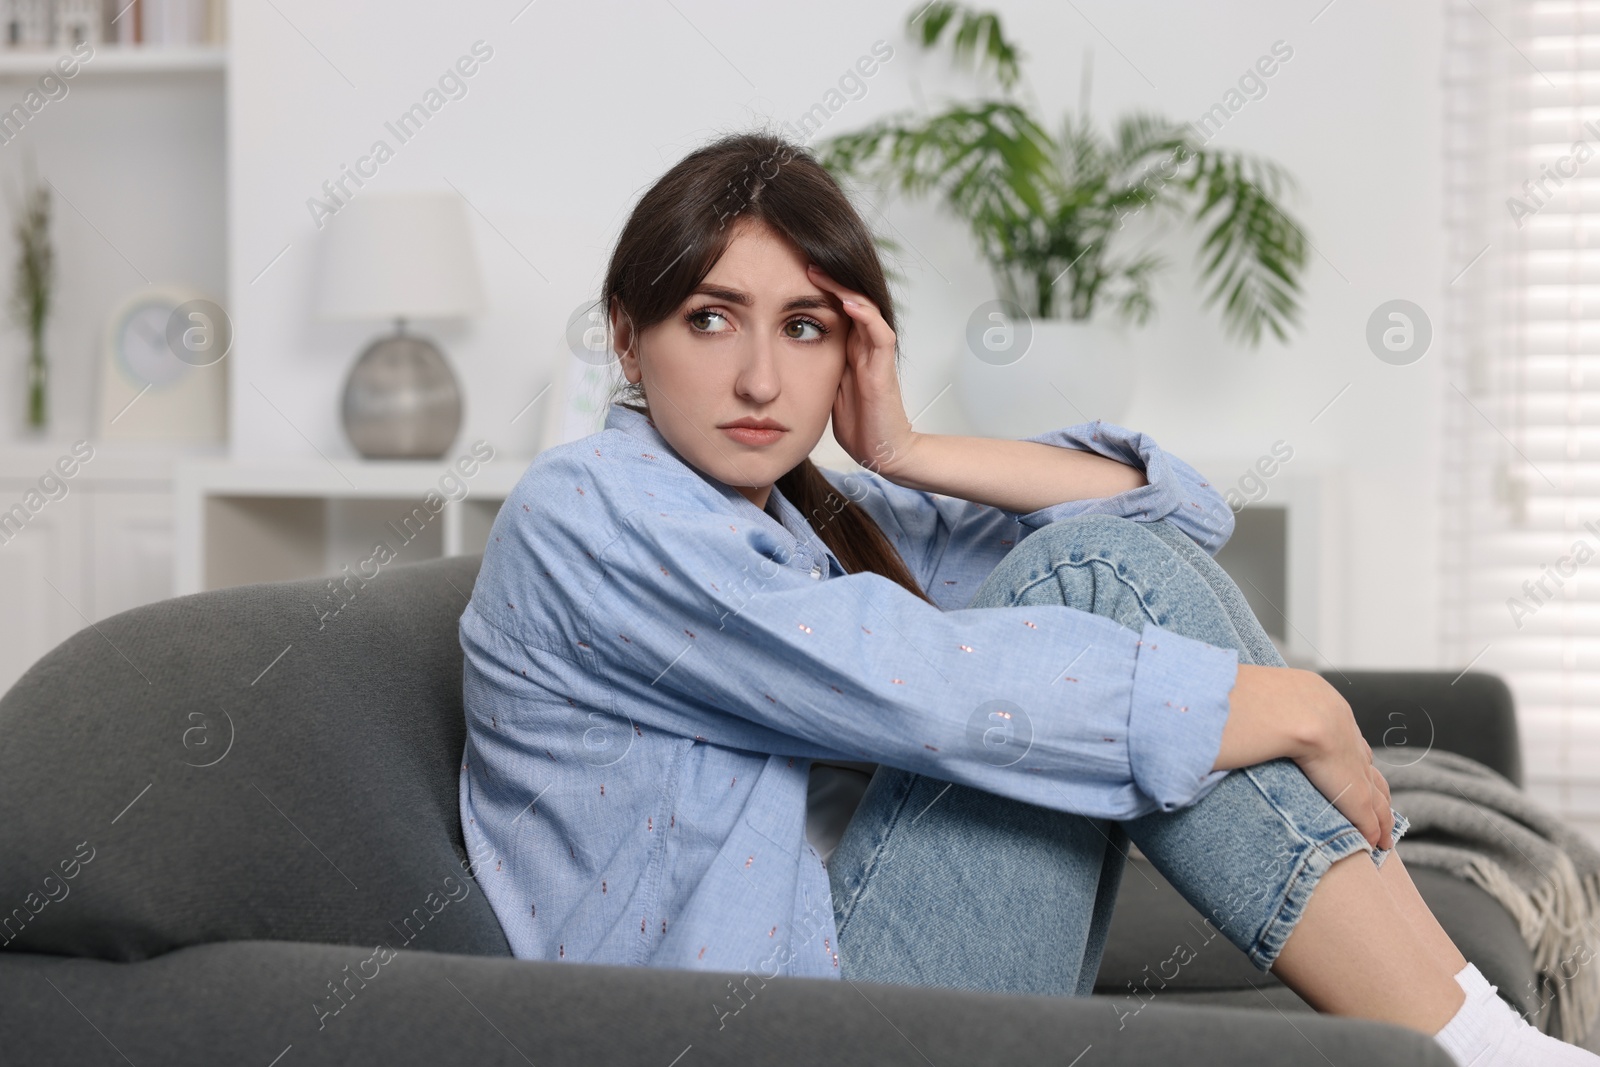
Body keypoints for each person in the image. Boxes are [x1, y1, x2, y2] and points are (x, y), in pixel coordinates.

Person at [457, 130, 1596, 1066]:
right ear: (626, 333)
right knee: (1092, 595)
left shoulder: (792, 512)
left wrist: (900, 444)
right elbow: (935, 694)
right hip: (755, 1030)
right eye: (711, 318)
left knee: (1103, 569)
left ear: (849, 346)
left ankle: (1480, 1041)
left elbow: (1163, 518)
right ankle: (1483, 1044)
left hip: (836, 988)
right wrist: (1292, 705)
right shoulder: (591, 508)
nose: (760, 376)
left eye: (802, 326)